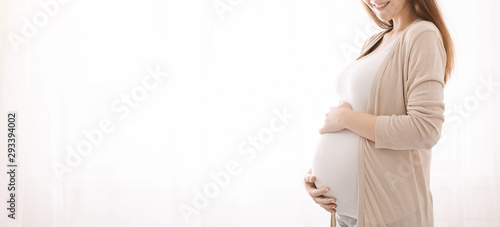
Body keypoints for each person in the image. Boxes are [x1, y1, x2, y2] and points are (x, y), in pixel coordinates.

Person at [304, 0, 454, 226]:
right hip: (347, 215)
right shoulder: (375, 40)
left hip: (389, 215)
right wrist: (316, 178)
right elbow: (358, 119)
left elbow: (426, 129)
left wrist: (346, 118)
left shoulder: (422, 35)